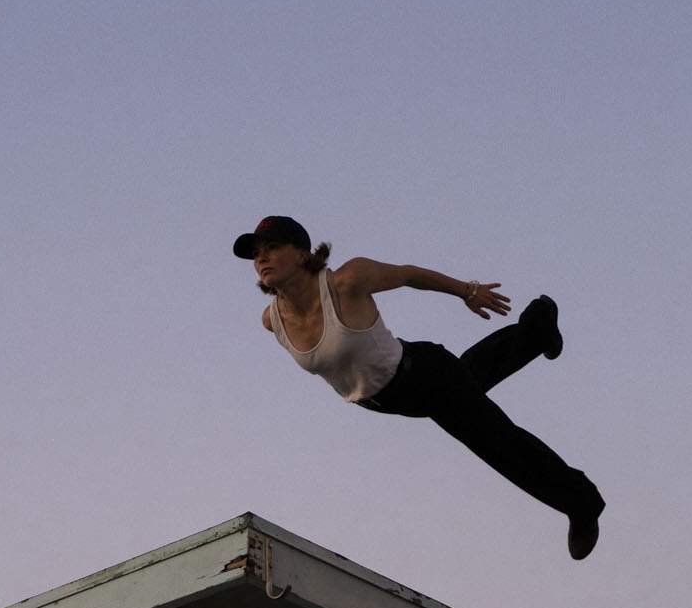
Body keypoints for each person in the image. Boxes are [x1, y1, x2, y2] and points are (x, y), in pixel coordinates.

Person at [232, 215, 604, 559]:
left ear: (300, 253)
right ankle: (536, 330)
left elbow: (408, 274)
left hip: (424, 373)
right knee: (470, 381)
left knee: (498, 443)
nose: (261, 259)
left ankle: (583, 504)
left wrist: (466, 290)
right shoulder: (272, 321)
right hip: (395, 399)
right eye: (256, 254)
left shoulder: (347, 281)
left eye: (272, 249)